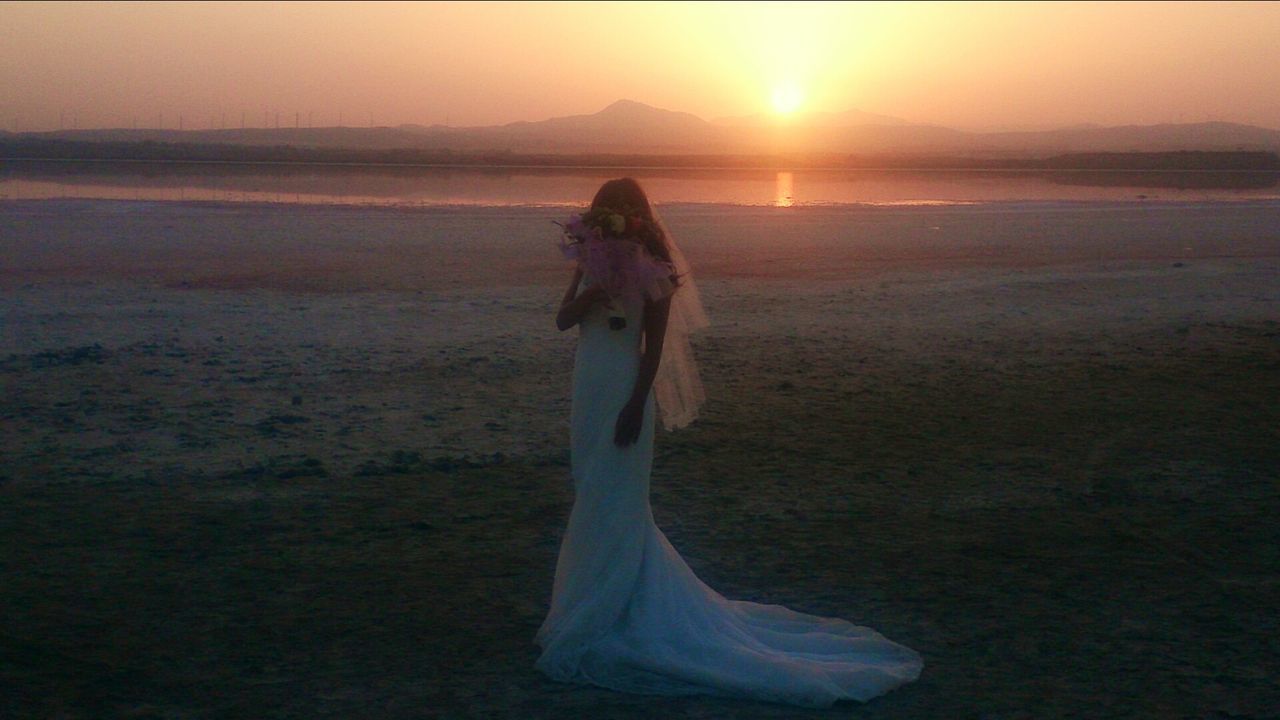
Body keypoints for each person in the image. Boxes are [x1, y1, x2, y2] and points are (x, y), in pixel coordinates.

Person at [536, 178, 922, 708]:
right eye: (609, 208)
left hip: (625, 391)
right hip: (589, 388)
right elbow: (562, 321)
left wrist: (635, 404)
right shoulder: (589, 260)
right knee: (591, 493)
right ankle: (586, 604)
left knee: (620, 500)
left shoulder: (659, 273)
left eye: (622, 209)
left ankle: (616, 608)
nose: (614, 216)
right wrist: (593, 294)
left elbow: (651, 352)